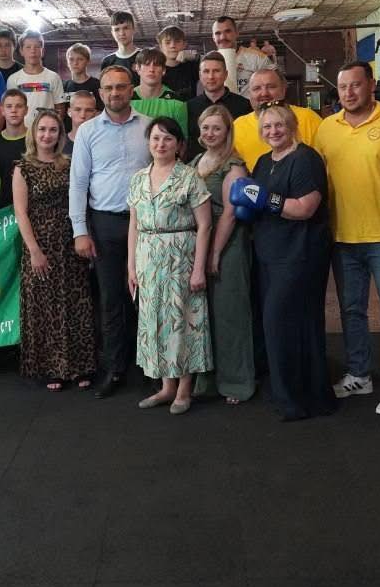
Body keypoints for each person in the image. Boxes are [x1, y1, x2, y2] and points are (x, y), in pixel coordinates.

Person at [312, 61, 380, 416]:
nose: (349, 93)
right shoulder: (327, 128)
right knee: (351, 310)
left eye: (356, 85)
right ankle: (359, 374)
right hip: (342, 235)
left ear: (372, 85)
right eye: (343, 87)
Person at [229, 104, 337, 422]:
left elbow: (305, 208)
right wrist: (250, 207)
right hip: (269, 253)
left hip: (299, 254)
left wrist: (266, 200)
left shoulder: (306, 159)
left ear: (292, 126)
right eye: (267, 127)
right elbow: (255, 201)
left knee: (284, 323)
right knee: (278, 324)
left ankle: (298, 399)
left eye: (279, 125)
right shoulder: (264, 161)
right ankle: (293, 394)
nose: (273, 131)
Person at [69, 65, 151, 398]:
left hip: (146, 225)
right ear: (100, 92)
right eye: (108, 88)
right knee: (111, 300)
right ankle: (115, 369)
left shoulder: (149, 127)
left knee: (147, 298)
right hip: (104, 224)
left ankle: (152, 368)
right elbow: (78, 183)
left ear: (132, 89)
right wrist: (80, 230)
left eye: (120, 87)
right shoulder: (87, 132)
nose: (114, 93)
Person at [128, 116, 212, 414]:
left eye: (167, 139)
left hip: (180, 257)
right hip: (147, 258)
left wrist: (199, 268)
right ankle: (166, 387)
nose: (160, 144)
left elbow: (205, 225)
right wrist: (131, 267)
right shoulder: (139, 178)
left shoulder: (189, 177)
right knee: (155, 321)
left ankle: (185, 389)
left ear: (179, 145)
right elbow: (134, 224)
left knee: (183, 320)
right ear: (148, 142)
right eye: (155, 138)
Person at [13, 108, 96, 390]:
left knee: (76, 303)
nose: (47, 135)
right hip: (40, 245)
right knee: (46, 308)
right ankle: (52, 369)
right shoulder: (22, 168)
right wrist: (34, 250)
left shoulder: (70, 164)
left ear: (60, 135)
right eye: (42, 129)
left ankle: (81, 366)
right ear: (33, 133)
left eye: (53, 130)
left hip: (71, 243)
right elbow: (21, 213)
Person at [190, 105, 256, 404]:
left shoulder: (234, 165)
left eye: (216, 128)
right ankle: (207, 381)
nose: (210, 133)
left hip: (226, 245)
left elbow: (230, 213)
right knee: (204, 317)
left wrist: (214, 253)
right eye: (206, 127)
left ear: (227, 131)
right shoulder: (196, 161)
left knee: (230, 315)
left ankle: (237, 383)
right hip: (198, 242)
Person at [232, 68, 320, 169]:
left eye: (271, 87)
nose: (264, 93)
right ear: (249, 94)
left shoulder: (308, 118)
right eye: (257, 88)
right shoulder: (238, 126)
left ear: (283, 89)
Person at [186, 52, 252, 160]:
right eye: (206, 71)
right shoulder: (189, 107)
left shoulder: (244, 106)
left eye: (216, 71)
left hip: (234, 164)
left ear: (225, 74)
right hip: (197, 167)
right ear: (200, 75)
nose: (211, 76)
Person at [8, 29, 66, 126]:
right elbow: (10, 110)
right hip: (22, 131)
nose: (33, 51)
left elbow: (60, 108)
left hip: (46, 132)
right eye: (28, 47)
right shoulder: (13, 79)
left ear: (43, 50)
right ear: (21, 51)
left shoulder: (54, 77)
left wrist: (52, 128)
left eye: (37, 47)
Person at [0, 89, 28, 210]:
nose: (14, 110)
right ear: (2, 110)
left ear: (26, 110)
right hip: (4, 210)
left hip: (33, 208)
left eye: (19, 106)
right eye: (9, 106)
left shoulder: (36, 141)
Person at [212, 16, 275, 97]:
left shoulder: (257, 58)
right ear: (213, 37)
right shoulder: (208, 62)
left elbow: (277, 83)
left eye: (228, 31)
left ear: (236, 33)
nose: (223, 37)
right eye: (218, 33)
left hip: (251, 105)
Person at [130, 48, 188, 133]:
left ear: (163, 70)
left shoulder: (177, 102)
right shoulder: (126, 99)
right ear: (138, 69)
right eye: (146, 64)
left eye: (156, 65)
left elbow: (182, 139)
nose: (151, 70)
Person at [159, 25, 199, 98]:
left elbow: (215, 63)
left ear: (184, 44)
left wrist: (195, 56)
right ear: (161, 46)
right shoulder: (155, 69)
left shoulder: (193, 66)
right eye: (167, 42)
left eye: (177, 41)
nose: (172, 46)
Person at [102, 10, 143, 80]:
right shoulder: (107, 61)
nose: (122, 33)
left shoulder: (145, 57)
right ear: (112, 33)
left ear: (134, 29)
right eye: (117, 29)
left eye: (126, 28)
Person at [63, 43, 102, 110]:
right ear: (67, 62)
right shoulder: (64, 87)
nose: (75, 63)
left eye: (80, 59)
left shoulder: (97, 85)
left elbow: (101, 111)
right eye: (71, 59)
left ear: (88, 61)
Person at [64, 89, 99, 155]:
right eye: (78, 110)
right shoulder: (59, 143)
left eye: (88, 110)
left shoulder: (101, 142)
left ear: (95, 113)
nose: (83, 115)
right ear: (69, 112)